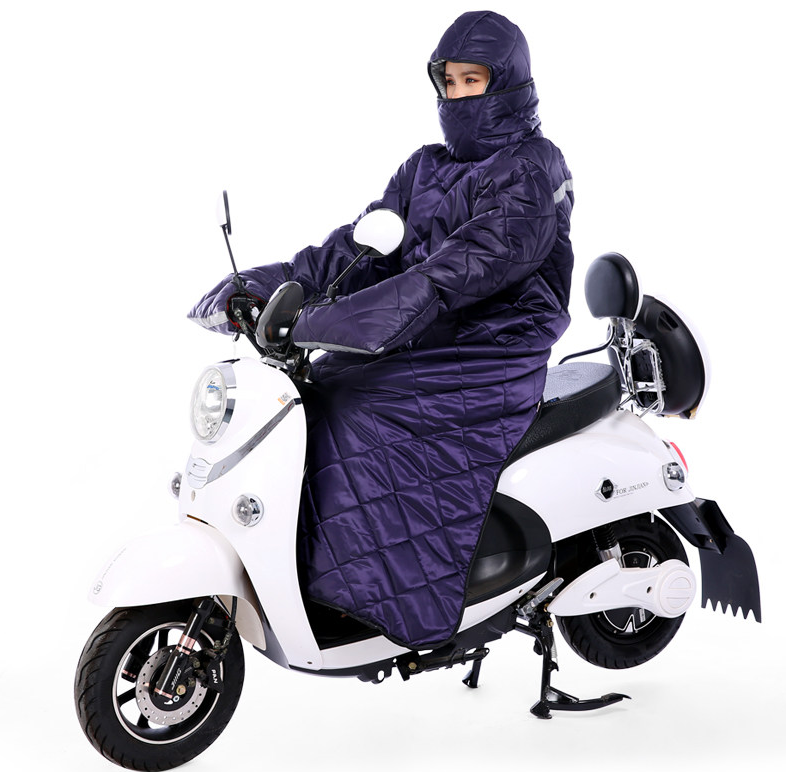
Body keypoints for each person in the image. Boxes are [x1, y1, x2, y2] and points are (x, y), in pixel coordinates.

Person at [189, 10, 574, 650]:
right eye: (448, 81)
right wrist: (259, 288)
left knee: (358, 411)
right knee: (309, 396)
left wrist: (329, 322)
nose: (457, 95)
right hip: (420, 330)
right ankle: (321, 575)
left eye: (473, 81)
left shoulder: (533, 169)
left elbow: (457, 272)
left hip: (494, 345)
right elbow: (360, 251)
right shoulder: (424, 167)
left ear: (506, 83)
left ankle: (380, 602)